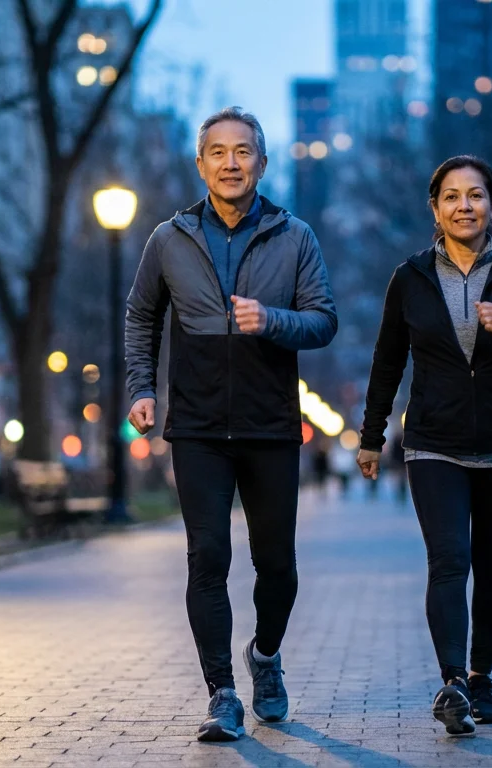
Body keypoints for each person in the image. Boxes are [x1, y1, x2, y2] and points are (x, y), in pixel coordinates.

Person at [124, 106, 338, 742]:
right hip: (195, 426)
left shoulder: (294, 235)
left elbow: (323, 320)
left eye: (243, 151)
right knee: (207, 556)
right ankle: (221, 691)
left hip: (271, 424)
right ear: (200, 165)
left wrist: (271, 320)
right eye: (217, 152)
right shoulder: (169, 238)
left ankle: (264, 657)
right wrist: (141, 389)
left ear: (262, 163)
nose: (230, 162)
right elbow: (141, 317)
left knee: (277, 564)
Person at [356, 155, 492, 736]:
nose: (463, 206)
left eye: (475, 196)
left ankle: (481, 677)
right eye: (451, 196)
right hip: (434, 442)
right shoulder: (411, 276)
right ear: (435, 208)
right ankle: (452, 683)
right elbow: (387, 361)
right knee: (450, 559)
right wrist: (372, 438)